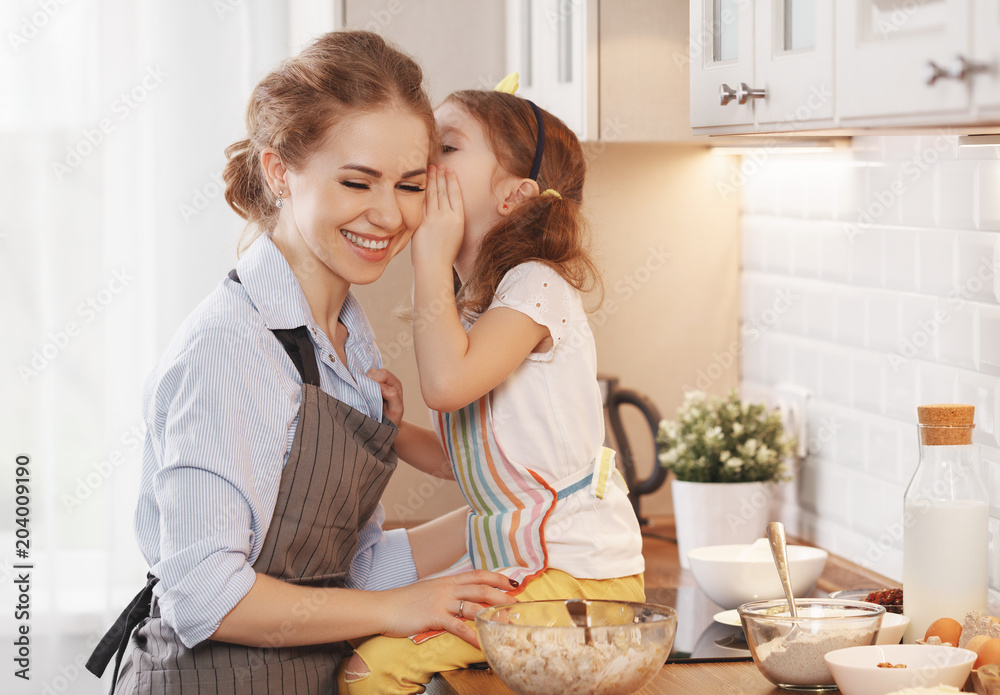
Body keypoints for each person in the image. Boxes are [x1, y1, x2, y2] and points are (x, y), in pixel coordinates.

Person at [85, 31, 517, 695]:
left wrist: (514, 509)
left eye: (408, 185)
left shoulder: (345, 335)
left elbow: (354, 568)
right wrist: (400, 610)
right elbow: (204, 593)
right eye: (356, 181)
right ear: (281, 171)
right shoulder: (230, 348)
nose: (389, 213)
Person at [340, 76, 645, 694]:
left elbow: (447, 384)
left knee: (369, 670)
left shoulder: (536, 285)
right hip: (537, 567)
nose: (426, 161)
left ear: (515, 196)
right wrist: (396, 432)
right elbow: (473, 469)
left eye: (446, 148)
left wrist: (429, 257)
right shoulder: (486, 307)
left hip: (577, 577)